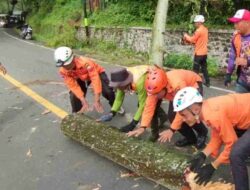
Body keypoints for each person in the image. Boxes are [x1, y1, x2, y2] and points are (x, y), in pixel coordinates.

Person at [173, 87, 250, 189]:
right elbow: (217, 136)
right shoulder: (207, 108)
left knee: (236, 154)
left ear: (195, 110)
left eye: (184, 115)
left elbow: (231, 142)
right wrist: (203, 154)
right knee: (240, 149)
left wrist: (213, 165)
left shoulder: (213, 115)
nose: (183, 119)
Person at [127, 66, 208, 148]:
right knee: (172, 117)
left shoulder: (177, 85)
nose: (155, 96)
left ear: (164, 86)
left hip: (192, 85)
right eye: (153, 94)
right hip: (173, 92)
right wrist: (143, 127)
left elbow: (183, 108)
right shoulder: (154, 90)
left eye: (157, 93)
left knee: (190, 113)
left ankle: (202, 132)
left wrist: (172, 130)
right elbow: (149, 108)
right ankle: (191, 138)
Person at [97, 66, 165, 133]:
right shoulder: (121, 79)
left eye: (119, 86)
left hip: (155, 82)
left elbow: (143, 104)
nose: (118, 89)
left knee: (150, 106)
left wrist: (133, 124)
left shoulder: (139, 82)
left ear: (125, 83)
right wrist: (112, 113)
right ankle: (163, 116)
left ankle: (157, 126)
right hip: (143, 82)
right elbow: (118, 99)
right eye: (116, 86)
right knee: (144, 106)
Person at [54, 46, 115, 113]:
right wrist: (83, 101)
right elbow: (72, 86)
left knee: (108, 91)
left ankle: (115, 106)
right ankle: (77, 113)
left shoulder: (85, 63)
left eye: (67, 65)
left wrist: (97, 99)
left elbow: (95, 78)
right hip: (80, 77)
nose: (65, 67)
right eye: (63, 66)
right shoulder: (63, 71)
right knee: (74, 96)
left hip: (96, 73)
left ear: (73, 59)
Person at [224, 9, 250, 93]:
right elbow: (232, 56)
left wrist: (248, 61)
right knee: (238, 105)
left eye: (237, 22)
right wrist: (228, 74)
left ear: (247, 22)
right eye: (234, 22)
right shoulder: (236, 36)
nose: (235, 25)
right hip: (242, 82)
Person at [183, 15, 210, 87]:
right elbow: (198, 40)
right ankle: (208, 82)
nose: (194, 24)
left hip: (198, 54)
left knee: (195, 70)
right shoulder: (205, 30)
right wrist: (192, 42)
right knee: (204, 68)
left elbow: (192, 39)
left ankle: (194, 83)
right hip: (204, 53)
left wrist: (186, 36)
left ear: (199, 22)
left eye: (195, 22)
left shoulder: (198, 31)